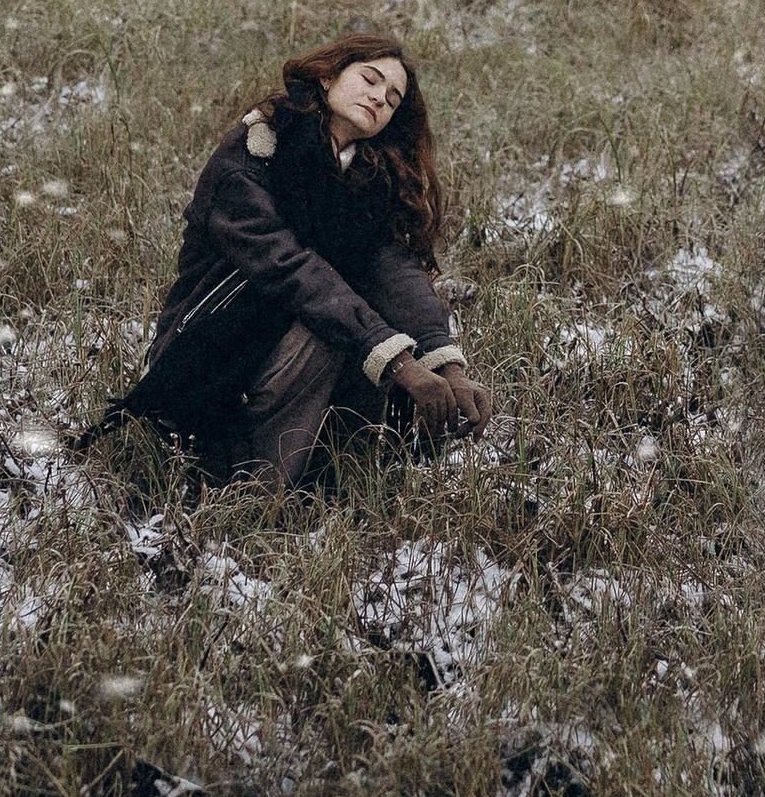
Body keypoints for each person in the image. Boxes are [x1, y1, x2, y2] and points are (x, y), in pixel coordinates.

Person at [102, 32, 494, 491]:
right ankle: (253, 489)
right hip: (209, 349)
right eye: (369, 79)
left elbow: (392, 268)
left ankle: (333, 479)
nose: (379, 99)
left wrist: (446, 364)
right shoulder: (253, 154)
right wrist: (401, 364)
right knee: (333, 326)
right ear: (327, 76)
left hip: (280, 342)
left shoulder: (364, 176)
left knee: (362, 318)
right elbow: (292, 271)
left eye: (392, 100)